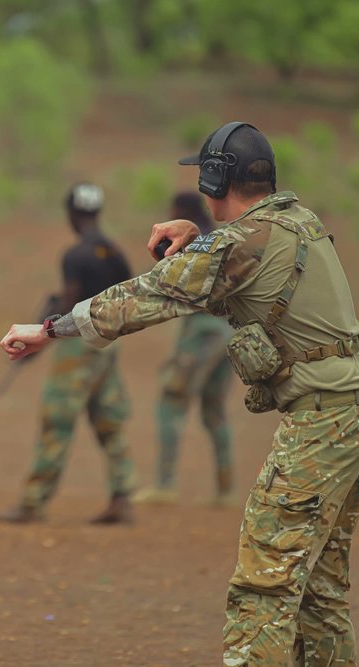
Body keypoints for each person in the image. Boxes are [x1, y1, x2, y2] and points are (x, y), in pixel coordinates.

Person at [0, 122, 359, 666]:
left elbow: (148, 294)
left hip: (323, 422)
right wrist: (203, 234)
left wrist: (47, 330)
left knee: (264, 585)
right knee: (320, 590)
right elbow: (244, 246)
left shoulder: (235, 244)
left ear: (213, 180)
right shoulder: (301, 220)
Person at [0, 183, 136, 524]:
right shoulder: (115, 253)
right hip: (106, 345)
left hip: (76, 346)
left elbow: (69, 301)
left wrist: (43, 331)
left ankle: (33, 501)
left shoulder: (75, 256)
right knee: (110, 422)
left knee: (56, 421)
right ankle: (123, 497)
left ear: (72, 214)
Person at [133, 192, 235, 506]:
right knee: (214, 410)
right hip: (229, 333)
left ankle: (165, 485)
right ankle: (225, 490)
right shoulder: (221, 240)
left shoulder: (192, 244)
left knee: (171, 401)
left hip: (202, 332)